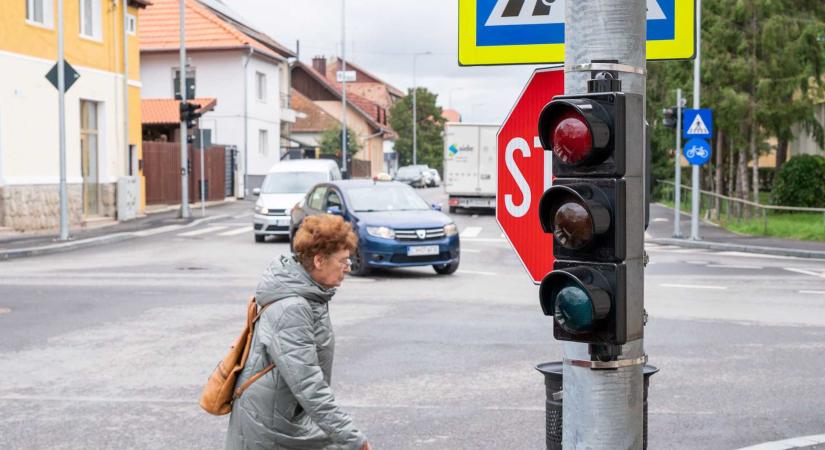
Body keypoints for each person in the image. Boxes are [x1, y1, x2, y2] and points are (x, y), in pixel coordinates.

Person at [226, 214, 372, 450]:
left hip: (284, 415)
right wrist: (353, 439)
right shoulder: (292, 307)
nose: (348, 268)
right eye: (343, 261)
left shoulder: (311, 292)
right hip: (269, 425)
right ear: (319, 261)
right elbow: (308, 383)